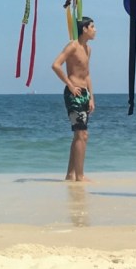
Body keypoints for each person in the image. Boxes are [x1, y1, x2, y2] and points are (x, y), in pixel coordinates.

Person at [51, 16, 96, 182]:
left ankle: (71, 174)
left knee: (81, 135)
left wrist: (91, 97)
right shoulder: (72, 46)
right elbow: (56, 65)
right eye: (92, 26)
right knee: (81, 134)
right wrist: (69, 84)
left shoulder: (88, 49)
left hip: (84, 94)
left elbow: (87, 73)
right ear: (84, 29)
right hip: (73, 94)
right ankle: (80, 175)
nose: (95, 30)